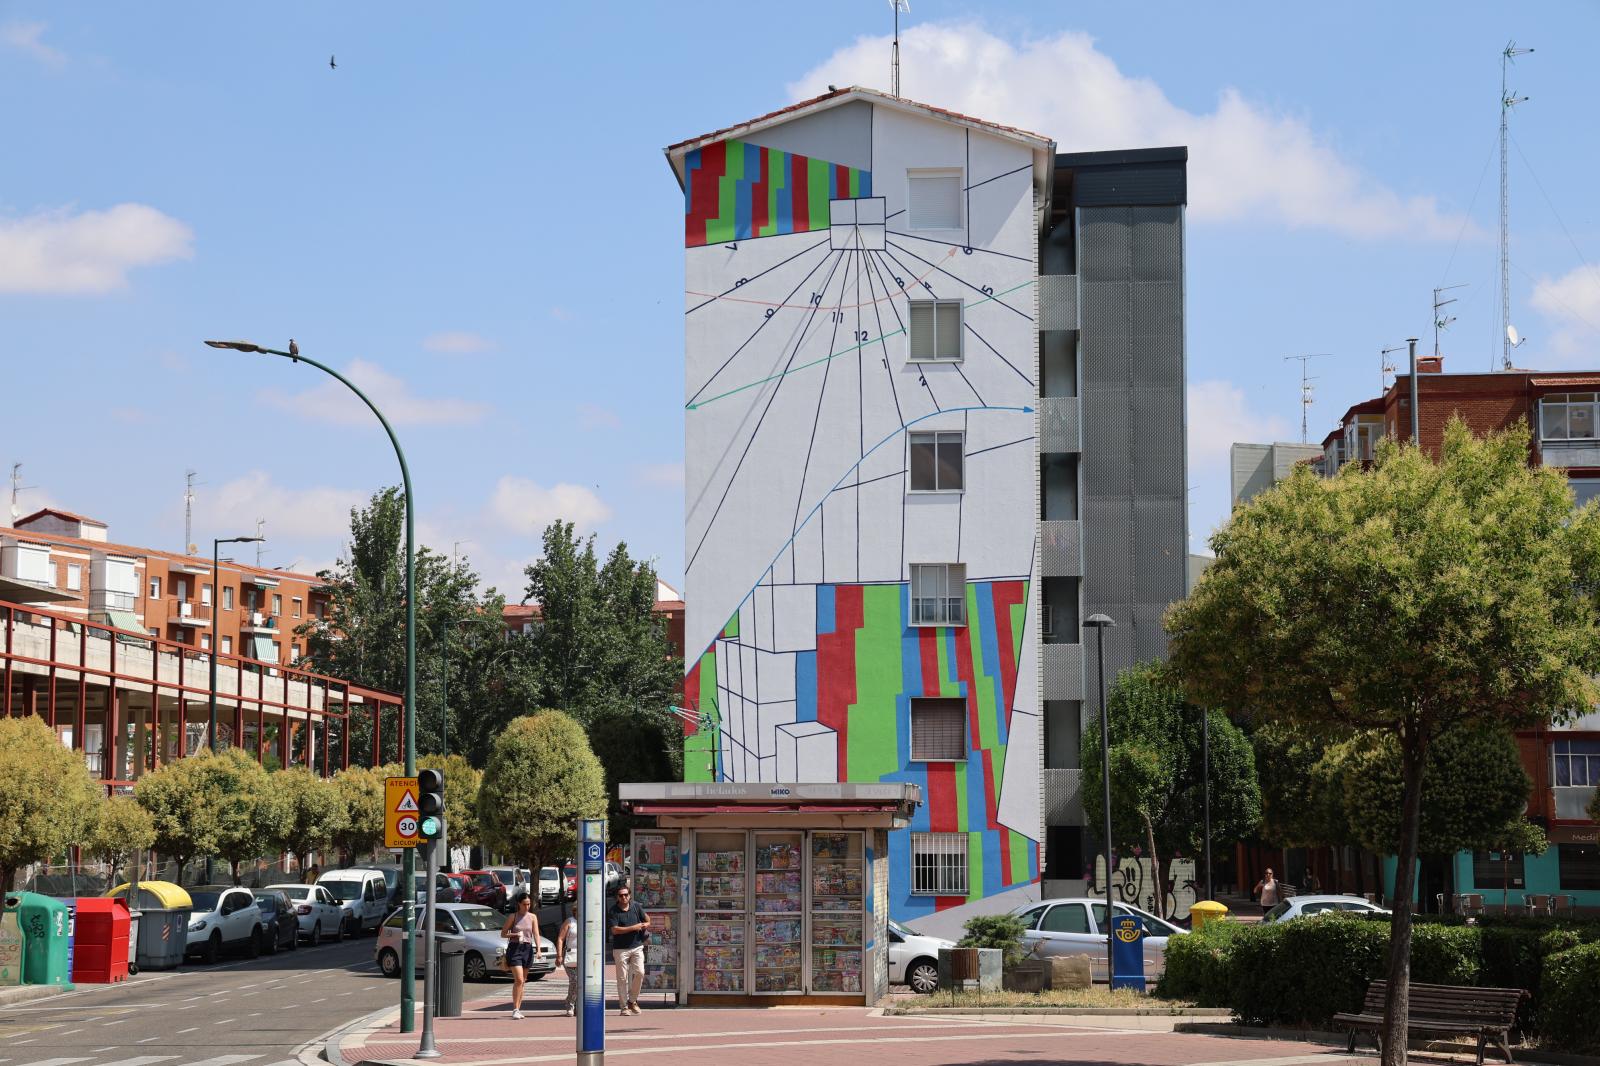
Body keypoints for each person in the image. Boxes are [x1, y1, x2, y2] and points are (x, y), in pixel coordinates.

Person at [606, 884, 649, 1016]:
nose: (624, 897)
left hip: (636, 946)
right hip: (620, 949)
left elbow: (647, 920)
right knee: (622, 978)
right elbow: (615, 930)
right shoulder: (613, 911)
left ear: (630, 895)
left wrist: (644, 925)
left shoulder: (636, 906)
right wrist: (634, 927)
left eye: (626, 895)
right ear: (617, 897)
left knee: (640, 972)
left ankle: (632, 1001)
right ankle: (624, 1006)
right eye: (621, 895)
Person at [500, 892, 541, 1019]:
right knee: (518, 979)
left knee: (523, 981)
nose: (527, 906)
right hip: (515, 948)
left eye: (528, 904)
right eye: (524, 904)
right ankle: (515, 1008)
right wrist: (515, 934)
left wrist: (538, 949)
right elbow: (503, 933)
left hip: (527, 949)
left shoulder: (533, 917)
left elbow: (536, 934)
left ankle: (518, 1008)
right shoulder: (513, 916)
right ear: (519, 904)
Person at [556, 901, 579, 1017]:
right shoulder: (569, 922)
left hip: (584, 956)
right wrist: (559, 955)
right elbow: (560, 939)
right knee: (574, 980)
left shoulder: (587, 921)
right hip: (570, 954)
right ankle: (570, 1003)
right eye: (577, 909)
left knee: (582, 982)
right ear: (574, 910)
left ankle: (577, 1004)